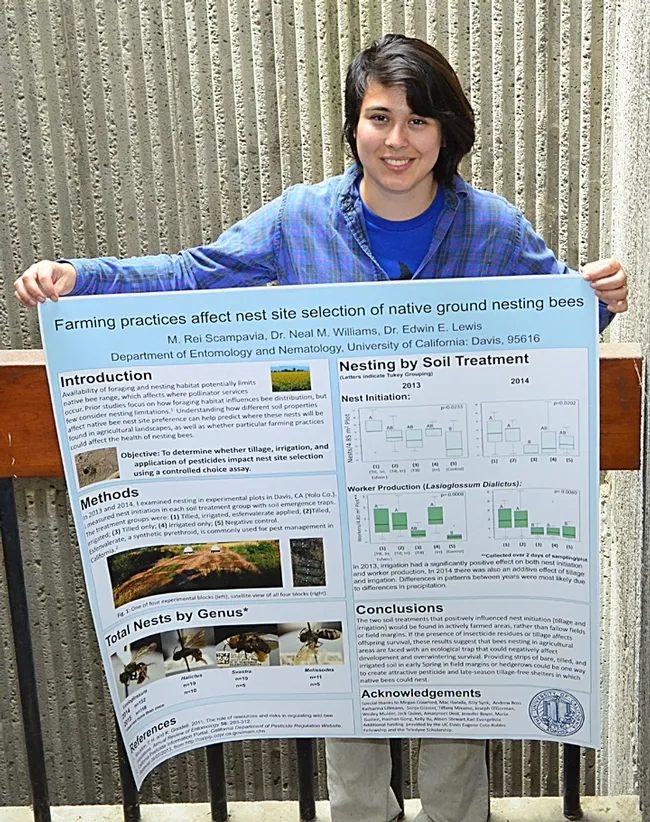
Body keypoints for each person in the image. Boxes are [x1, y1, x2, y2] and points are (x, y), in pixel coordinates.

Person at [15, 33, 628, 822]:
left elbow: (560, 326)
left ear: (446, 132)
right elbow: (194, 273)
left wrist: (598, 297)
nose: (397, 140)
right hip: (337, 517)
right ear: (353, 124)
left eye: (417, 120)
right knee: (347, 722)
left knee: (456, 737)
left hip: (454, 524)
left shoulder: (494, 228)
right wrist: (83, 279)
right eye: (379, 117)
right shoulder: (300, 218)